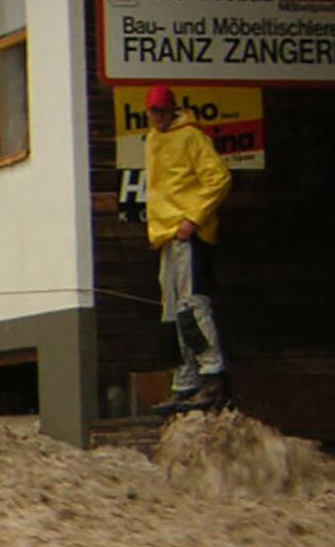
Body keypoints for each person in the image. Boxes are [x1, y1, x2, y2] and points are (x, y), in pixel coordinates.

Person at [143, 84, 234, 415]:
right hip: (166, 234)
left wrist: (193, 218)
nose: (157, 118)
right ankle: (185, 383)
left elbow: (219, 178)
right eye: (153, 112)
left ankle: (213, 378)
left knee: (193, 305)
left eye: (162, 112)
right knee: (172, 312)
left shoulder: (192, 136)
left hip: (185, 233)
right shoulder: (153, 139)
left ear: (172, 110)